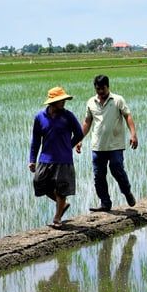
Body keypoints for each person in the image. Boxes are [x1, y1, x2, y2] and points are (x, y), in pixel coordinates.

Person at [79, 75, 138, 212]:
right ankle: (105, 202)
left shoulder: (117, 100)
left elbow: (127, 116)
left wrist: (133, 134)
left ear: (108, 86)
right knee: (98, 175)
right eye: (98, 89)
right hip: (98, 146)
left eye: (103, 88)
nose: (100, 92)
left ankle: (127, 192)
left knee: (117, 169)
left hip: (115, 145)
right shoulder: (91, 102)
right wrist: (79, 139)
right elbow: (87, 122)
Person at [28, 86, 84, 228]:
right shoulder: (40, 117)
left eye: (64, 100)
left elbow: (79, 133)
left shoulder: (68, 116)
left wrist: (68, 146)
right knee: (39, 183)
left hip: (63, 159)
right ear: (52, 102)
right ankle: (62, 204)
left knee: (61, 188)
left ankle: (57, 218)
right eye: (61, 100)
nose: (64, 102)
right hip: (45, 158)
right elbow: (35, 140)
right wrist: (32, 160)